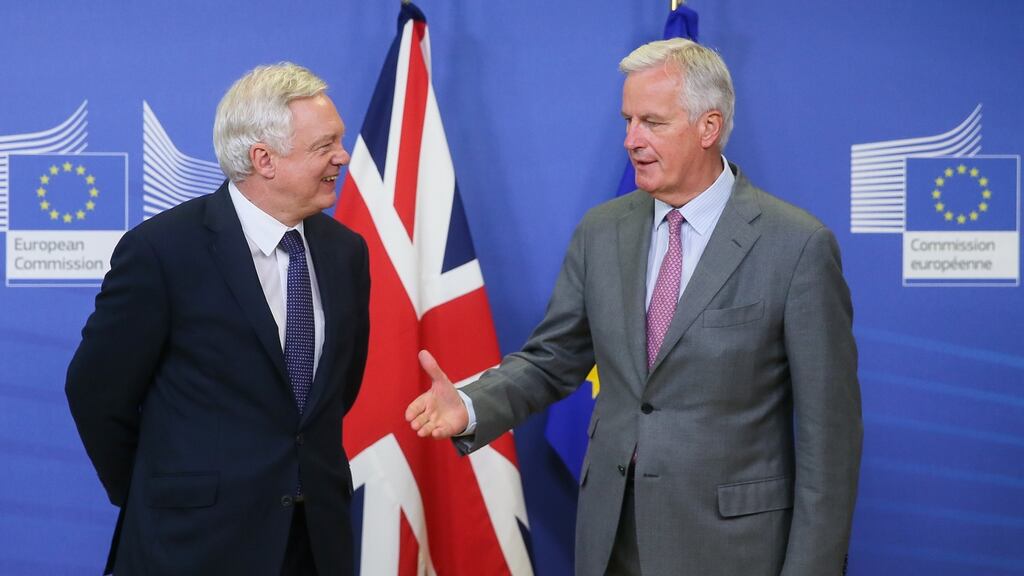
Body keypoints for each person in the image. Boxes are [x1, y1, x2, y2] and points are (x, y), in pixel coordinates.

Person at [406, 38, 862, 575]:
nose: (631, 140)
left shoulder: (796, 246)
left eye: (652, 122)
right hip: (612, 539)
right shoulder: (602, 231)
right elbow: (552, 360)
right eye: (628, 121)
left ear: (708, 128)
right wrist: (471, 405)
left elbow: (829, 437)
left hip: (734, 550)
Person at [66, 63, 369, 576]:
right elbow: (96, 392)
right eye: (325, 145)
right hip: (192, 546)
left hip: (316, 542)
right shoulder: (162, 251)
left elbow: (338, 391)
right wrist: (160, 492)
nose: (342, 156)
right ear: (263, 159)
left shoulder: (347, 252)